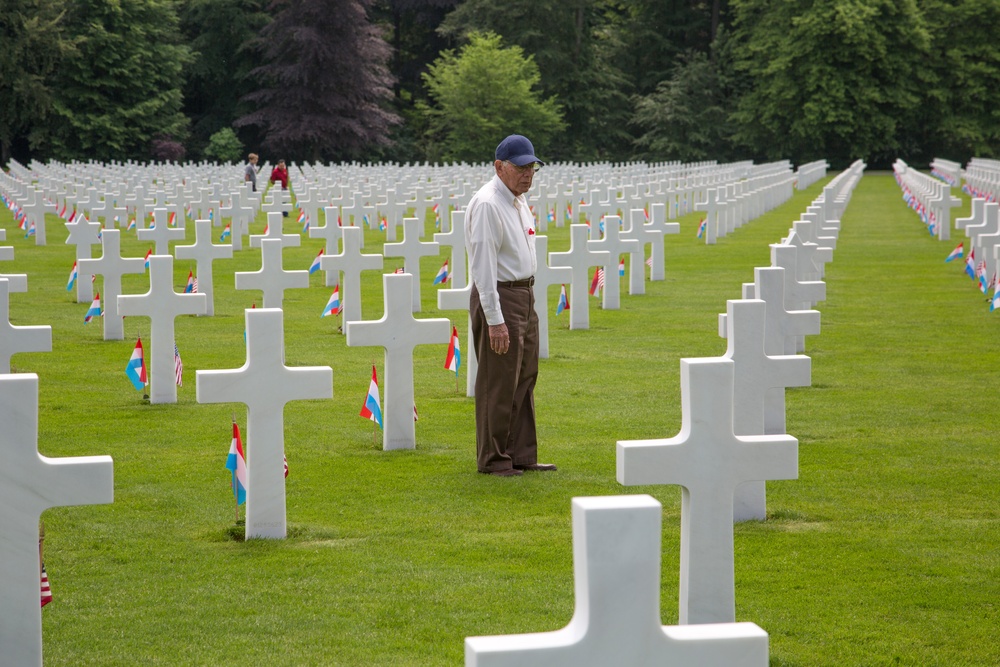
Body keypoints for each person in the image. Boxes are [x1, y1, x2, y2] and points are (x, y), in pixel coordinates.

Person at [465, 134, 556, 477]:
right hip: (500, 296)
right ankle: (494, 459)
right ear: (499, 167)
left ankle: (521, 454)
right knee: (498, 380)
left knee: (524, 376)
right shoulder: (489, 204)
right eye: (520, 167)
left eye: (532, 167)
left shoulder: (517, 201)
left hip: (523, 295)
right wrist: (495, 320)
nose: (528, 174)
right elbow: (483, 266)